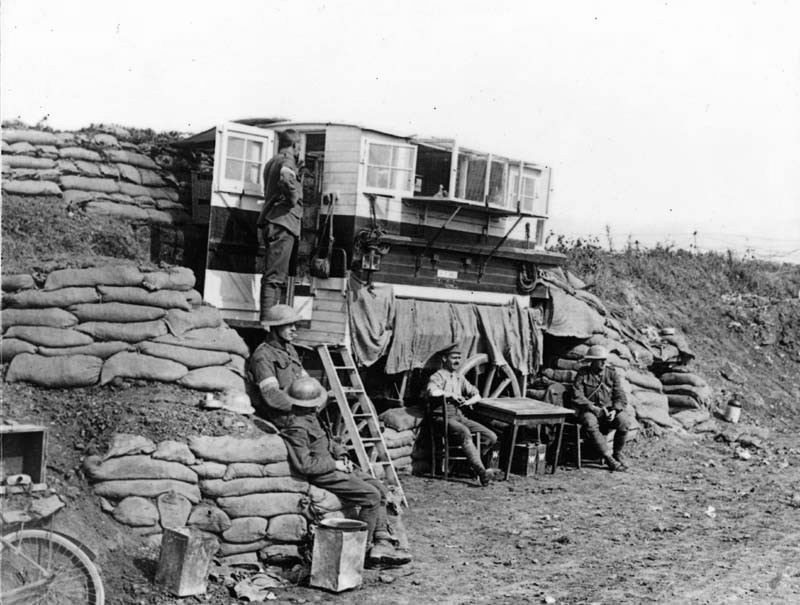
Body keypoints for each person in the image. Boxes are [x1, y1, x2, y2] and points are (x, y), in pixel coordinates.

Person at [280, 376, 412, 567]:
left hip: (335, 467)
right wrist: (335, 465)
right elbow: (305, 465)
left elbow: (328, 442)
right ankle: (360, 551)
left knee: (381, 488)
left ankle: (382, 541)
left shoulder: (311, 419)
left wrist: (341, 455)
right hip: (324, 474)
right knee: (371, 497)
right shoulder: (297, 427)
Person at [426, 344, 498, 486]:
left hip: (460, 417)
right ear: (445, 358)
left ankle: (469, 464)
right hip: (442, 417)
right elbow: (432, 392)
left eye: (459, 358)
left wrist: (467, 402)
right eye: (454, 358)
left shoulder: (459, 378)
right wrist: (450, 395)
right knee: (465, 432)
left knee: (490, 437)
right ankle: (481, 472)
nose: (457, 361)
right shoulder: (438, 376)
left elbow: (477, 394)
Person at [257, 129, 303, 320]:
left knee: (274, 276)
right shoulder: (287, 160)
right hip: (283, 223)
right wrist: (293, 198)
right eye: (299, 146)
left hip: (272, 221)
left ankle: (272, 319)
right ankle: (268, 322)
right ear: (295, 145)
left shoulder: (271, 162)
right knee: (275, 278)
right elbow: (286, 177)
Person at [571, 344, 634, 471]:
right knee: (590, 422)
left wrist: (615, 411)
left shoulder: (611, 374)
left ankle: (617, 454)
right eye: (601, 360)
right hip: (590, 411)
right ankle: (609, 458)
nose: (604, 362)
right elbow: (577, 394)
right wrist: (591, 407)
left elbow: (620, 395)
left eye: (605, 359)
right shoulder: (583, 373)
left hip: (609, 411)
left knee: (624, 421)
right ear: (593, 361)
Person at [247, 304, 307, 429]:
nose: (294, 329)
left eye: (294, 325)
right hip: (283, 417)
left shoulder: (290, 349)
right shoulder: (263, 356)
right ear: (275, 327)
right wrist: (302, 406)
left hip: (300, 413)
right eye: (289, 325)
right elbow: (272, 395)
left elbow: (304, 379)